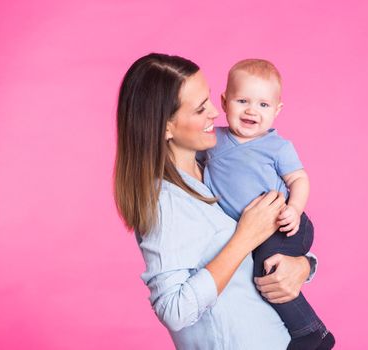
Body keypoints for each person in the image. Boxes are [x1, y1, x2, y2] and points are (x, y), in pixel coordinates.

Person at [114, 53, 321, 349]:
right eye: (200, 109)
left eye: (210, 99)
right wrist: (244, 238)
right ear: (166, 127)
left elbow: (258, 258)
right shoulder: (164, 202)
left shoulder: (217, 165)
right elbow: (174, 310)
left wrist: (303, 265)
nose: (215, 112)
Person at [199, 59, 335, 350]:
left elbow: (299, 179)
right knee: (256, 273)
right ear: (224, 102)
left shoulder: (278, 147)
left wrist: (294, 210)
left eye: (263, 105)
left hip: (283, 227)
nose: (251, 110)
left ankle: (312, 332)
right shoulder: (213, 140)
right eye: (242, 100)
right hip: (253, 234)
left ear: (277, 110)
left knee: (268, 267)